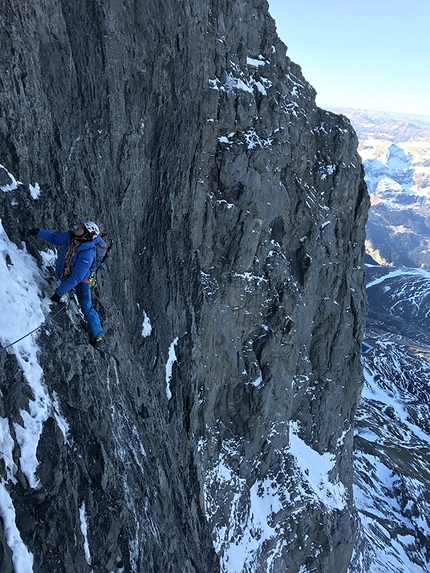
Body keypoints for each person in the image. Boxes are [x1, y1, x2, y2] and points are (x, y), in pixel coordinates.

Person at [27, 221, 104, 349]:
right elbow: (54, 238)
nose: (78, 227)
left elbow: (76, 277)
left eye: (82, 228)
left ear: (87, 235)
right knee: (79, 299)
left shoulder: (88, 254)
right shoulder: (70, 237)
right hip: (67, 276)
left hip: (81, 281)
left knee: (86, 307)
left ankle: (97, 336)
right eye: (80, 225)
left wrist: (58, 293)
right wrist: (39, 232)